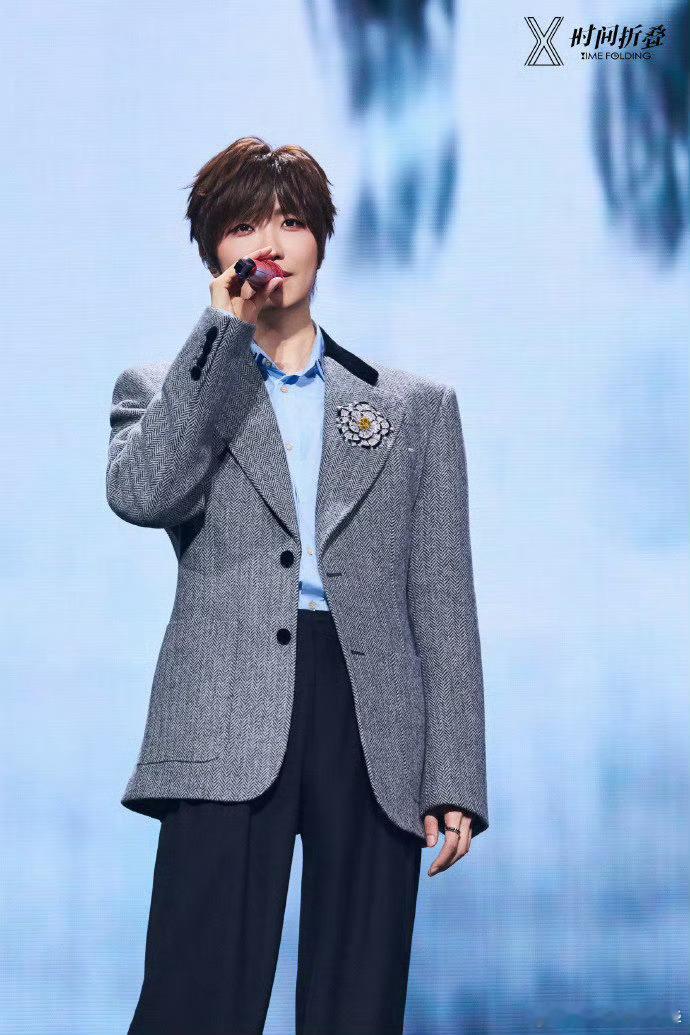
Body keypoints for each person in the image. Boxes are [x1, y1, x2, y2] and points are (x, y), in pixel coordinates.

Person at [107, 135, 488, 1035]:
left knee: (358, 1003)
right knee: (195, 998)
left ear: (321, 237)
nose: (270, 243)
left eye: (289, 221)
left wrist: (455, 773)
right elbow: (142, 493)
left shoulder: (412, 407)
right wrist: (217, 336)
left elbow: (442, 598)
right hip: (226, 703)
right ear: (215, 252)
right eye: (244, 226)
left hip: (371, 707)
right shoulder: (164, 387)